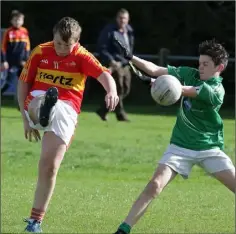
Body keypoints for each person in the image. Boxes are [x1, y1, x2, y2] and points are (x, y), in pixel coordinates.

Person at [113, 38, 235, 234]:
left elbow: (181, 90)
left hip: (209, 149)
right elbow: (154, 69)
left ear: (219, 67)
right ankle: (123, 229)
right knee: (154, 185)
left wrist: (159, 84)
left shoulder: (216, 90)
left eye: (206, 64)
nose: (200, 67)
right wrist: (131, 57)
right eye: (200, 62)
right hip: (180, 146)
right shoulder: (190, 74)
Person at [18, 16, 119, 233]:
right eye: (58, 43)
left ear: (78, 41)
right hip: (38, 96)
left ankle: (35, 222)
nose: (62, 49)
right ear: (52, 37)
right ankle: (41, 111)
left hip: (67, 108)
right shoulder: (40, 51)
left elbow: (104, 75)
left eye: (67, 45)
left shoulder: (82, 56)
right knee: (37, 101)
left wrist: (112, 91)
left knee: (50, 166)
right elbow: (24, 83)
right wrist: (25, 120)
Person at [96, 8, 134, 122]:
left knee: (126, 89)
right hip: (113, 64)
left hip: (125, 63)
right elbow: (102, 48)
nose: (123, 20)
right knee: (118, 89)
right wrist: (111, 60)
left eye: (125, 18)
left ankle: (103, 109)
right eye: (121, 18)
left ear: (128, 19)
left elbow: (130, 49)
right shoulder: (109, 31)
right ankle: (120, 115)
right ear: (117, 19)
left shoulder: (130, 31)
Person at [1, 10, 30, 101]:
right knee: (9, 82)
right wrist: (4, 61)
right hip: (11, 62)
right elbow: (3, 47)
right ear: (12, 21)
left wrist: (26, 60)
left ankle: (23, 102)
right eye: (15, 20)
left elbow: (27, 47)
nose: (17, 22)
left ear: (22, 21)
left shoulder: (25, 31)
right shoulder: (8, 32)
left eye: (19, 20)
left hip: (22, 62)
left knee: (25, 82)